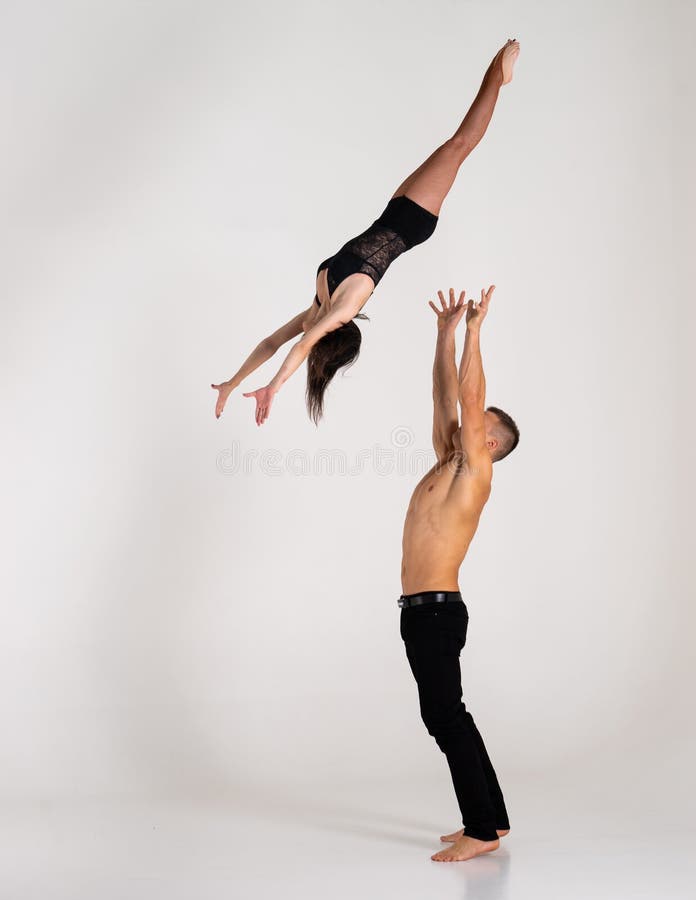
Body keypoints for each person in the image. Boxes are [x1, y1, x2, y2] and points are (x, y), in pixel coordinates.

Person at [211, 40, 520, 426]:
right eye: (314, 340)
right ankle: (497, 76)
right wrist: (275, 388)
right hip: (412, 223)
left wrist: (233, 381)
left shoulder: (318, 306)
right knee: (459, 145)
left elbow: (272, 343)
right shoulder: (342, 309)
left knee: (453, 145)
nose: (303, 334)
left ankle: (496, 77)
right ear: (329, 335)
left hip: (394, 213)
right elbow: (304, 343)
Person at [399, 286, 519, 862]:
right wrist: (445, 332)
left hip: (438, 612)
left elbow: (471, 401)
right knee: (449, 714)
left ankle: (481, 830)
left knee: (443, 715)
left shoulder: (474, 473)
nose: (466, 429)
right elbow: (447, 398)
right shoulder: (447, 462)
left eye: (478, 428)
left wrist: (476, 332)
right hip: (422, 612)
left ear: (488, 443)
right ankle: (491, 820)